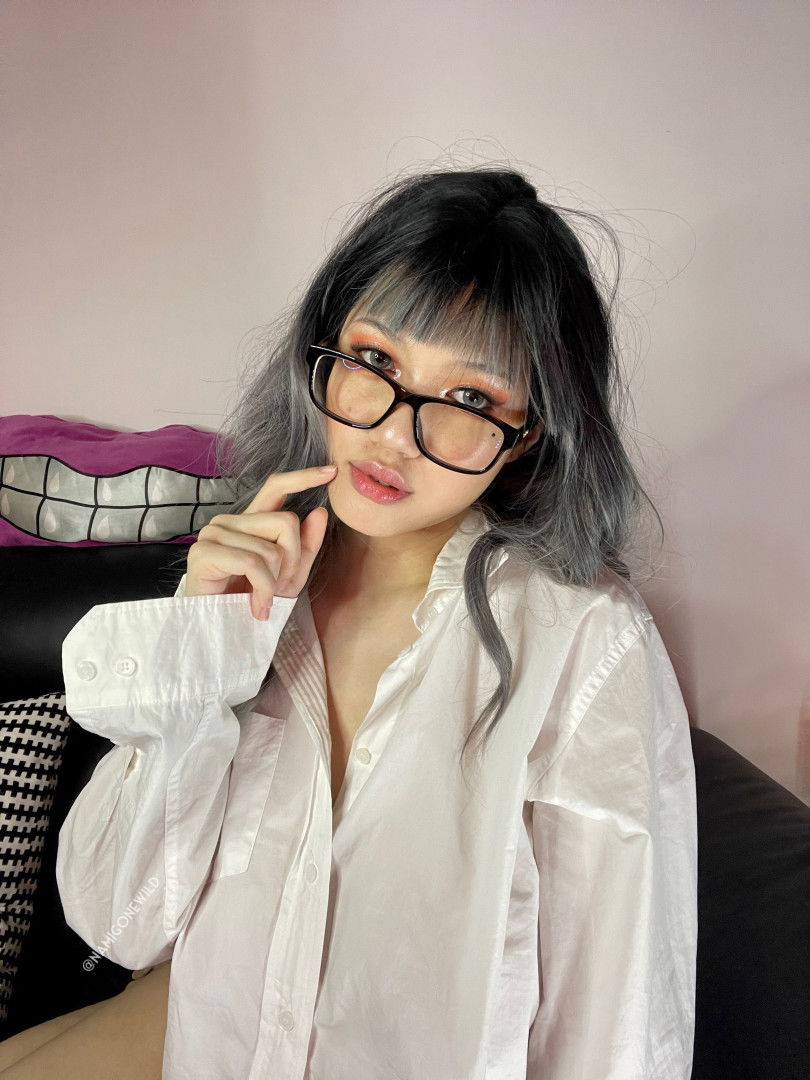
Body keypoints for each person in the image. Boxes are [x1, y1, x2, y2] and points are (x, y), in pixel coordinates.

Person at [1, 167, 698, 1079]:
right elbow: (119, 923)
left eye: (471, 401)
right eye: (376, 362)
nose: (395, 435)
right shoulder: (248, 596)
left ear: (529, 435)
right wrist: (199, 651)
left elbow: (616, 1037)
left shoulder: (584, 645)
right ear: (322, 350)